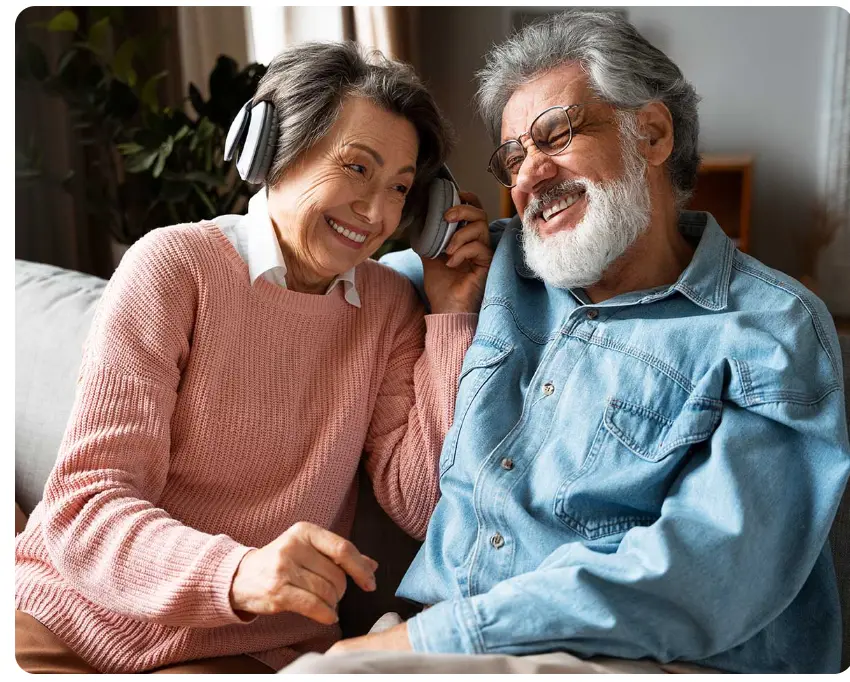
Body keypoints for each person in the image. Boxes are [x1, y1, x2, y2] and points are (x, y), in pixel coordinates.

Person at [282, 10, 850, 674]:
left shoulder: (770, 329)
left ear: (654, 132)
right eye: (514, 156)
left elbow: (704, 575)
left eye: (555, 136)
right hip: (426, 641)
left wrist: (414, 646)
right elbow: (307, 283)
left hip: (630, 658)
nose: (526, 179)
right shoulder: (475, 269)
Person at [14, 41, 493, 674]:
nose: (377, 214)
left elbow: (417, 500)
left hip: (244, 654)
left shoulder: (387, 308)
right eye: (356, 168)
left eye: (399, 189)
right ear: (273, 146)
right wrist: (236, 571)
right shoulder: (174, 268)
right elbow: (86, 506)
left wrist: (450, 314)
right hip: (64, 622)